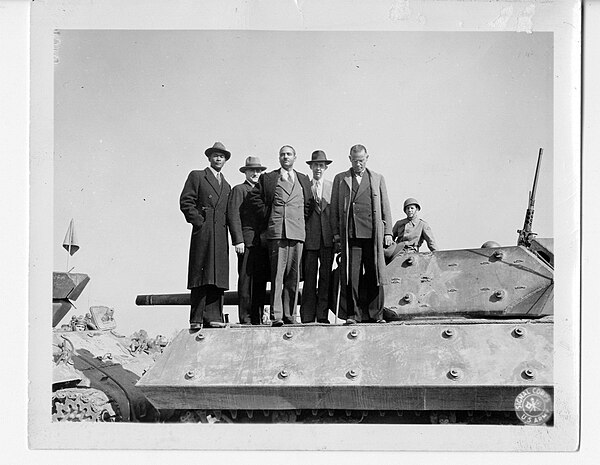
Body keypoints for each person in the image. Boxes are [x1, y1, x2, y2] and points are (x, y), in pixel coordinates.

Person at [247, 145, 314, 326]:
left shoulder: (303, 179)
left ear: (295, 157)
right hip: (277, 231)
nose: (286, 157)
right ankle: (277, 315)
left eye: (289, 154)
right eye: (283, 154)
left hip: (297, 232)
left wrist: (298, 219)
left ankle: (290, 314)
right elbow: (254, 198)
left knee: (294, 275)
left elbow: (309, 204)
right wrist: (270, 217)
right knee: (277, 274)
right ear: (279, 158)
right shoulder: (269, 178)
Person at [331, 144, 393, 325]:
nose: (359, 164)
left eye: (362, 160)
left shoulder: (377, 178)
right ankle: (353, 314)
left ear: (367, 158)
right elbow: (335, 208)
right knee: (352, 275)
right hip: (350, 236)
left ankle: (376, 314)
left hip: (372, 235)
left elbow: (385, 206)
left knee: (375, 273)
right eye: (355, 160)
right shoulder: (341, 179)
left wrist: (388, 232)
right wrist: (336, 234)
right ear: (350, 159)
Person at [180, 142, 231, 329]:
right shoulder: (198, 176)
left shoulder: (227, 186)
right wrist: (199, 221)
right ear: (209, 158)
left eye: (222, 156)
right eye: (215, 155)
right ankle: (197, 318)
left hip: (220, 234)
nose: (218, 159)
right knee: (201, 273)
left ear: (225, 161)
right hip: (204, 232)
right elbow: (186, 201)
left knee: (217, 275)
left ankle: (214, 317)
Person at [227, 156, 269, 325]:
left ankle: (257, 317)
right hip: (246, 242)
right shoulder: (239, 190)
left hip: (262, 243)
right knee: (246, 281)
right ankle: (246, 317)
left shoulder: (263, 191)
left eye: (258, 171)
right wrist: (238, 240)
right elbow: (233, 215)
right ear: (245, 172)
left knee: (260, 281)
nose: (255, 173)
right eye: (252, 170)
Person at [300, 150, 334, 324]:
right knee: (310, 277)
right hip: (310, 238)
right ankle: (307, 316)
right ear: (311, 167)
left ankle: (322, 315)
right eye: (315, 166)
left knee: (325, 278)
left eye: (321, 166)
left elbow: (335, 214)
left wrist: (336, 237)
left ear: (325, 167)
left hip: (327, 240)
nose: (318, 169)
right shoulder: (305, 186)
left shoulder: (332, 186)